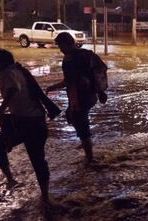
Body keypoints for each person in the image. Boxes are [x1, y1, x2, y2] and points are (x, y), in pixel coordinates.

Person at [0, 49, 54, 203]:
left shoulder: (7, 73)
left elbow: (12, 88)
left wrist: (1, 109)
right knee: (38, 159)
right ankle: (45, 197)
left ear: (1, 64)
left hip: (27, 123)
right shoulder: (18, 70)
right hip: (34, 121)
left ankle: (12, 181)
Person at [46, 33, 107, 164]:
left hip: (79, 97)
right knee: (73, 116)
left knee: (80, 122)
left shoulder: (69, 59)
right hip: (92, 95)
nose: (60, 49)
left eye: (60, 46)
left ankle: (89, 157)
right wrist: (100, 91)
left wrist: (52, 88)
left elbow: (69, 82)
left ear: (66, 44)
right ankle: (85, 141)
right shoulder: (87, 53)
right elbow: (101, 69)